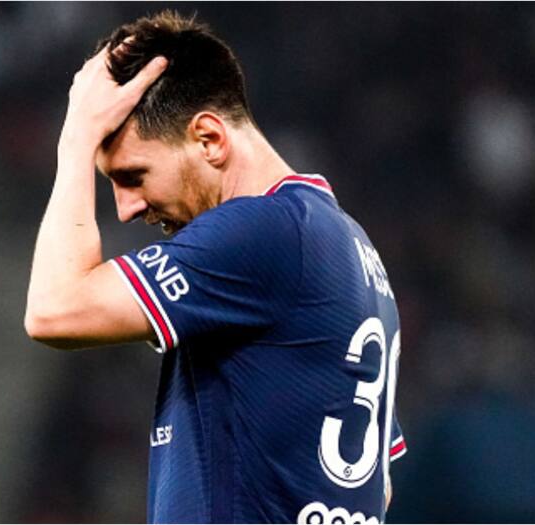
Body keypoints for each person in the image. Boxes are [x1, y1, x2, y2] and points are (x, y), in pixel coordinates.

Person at [24, 11, 407, 524]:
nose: (126, 209)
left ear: (209, 138)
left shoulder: (263, 231)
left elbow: (54, 310)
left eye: (133, 175)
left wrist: (75, 142)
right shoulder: (348, 245)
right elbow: (377, 488)